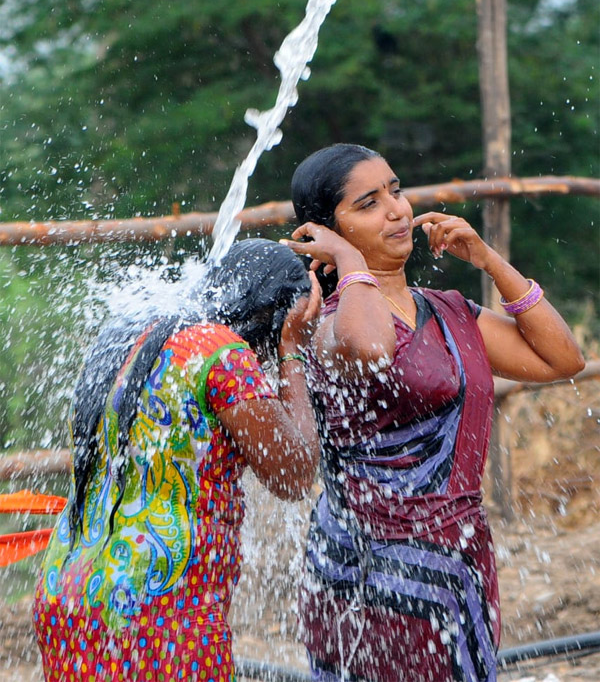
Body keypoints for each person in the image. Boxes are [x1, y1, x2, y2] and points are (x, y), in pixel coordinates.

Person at [281, 143, 585, 682]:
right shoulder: (326, 326)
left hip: (459, 563)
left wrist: (488, 261)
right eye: (369, 203)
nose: (397, 210)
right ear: (324, 231)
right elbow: (373, 349)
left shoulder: (447, 311)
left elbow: (562, 359)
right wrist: (350, 264)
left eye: (396, 191)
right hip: (371, 573)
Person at [32, 238, 321, 682]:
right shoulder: (221, 352)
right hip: (161, 606)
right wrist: (293, 349)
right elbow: (295, 473)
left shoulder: (137, 333)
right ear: (271, 315)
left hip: (67, 593)